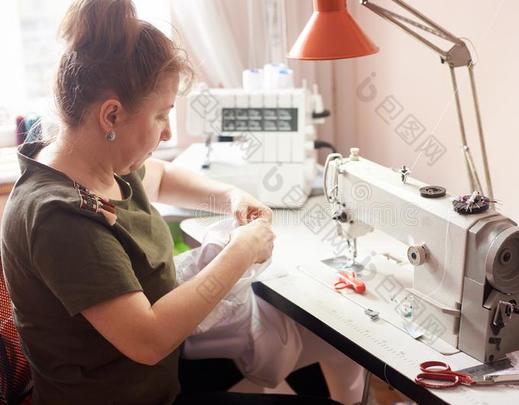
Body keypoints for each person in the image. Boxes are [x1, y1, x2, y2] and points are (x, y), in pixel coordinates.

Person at [1, 1, 360, 404]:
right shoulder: (59, 218)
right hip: (134, 393)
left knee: (315, 344)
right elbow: (150, 339)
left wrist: (230, 197)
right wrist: (241, 251)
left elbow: (162, 176)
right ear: (112, 116)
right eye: (161, 116)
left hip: (158, 369)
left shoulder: (97, 162)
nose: (168, 133)